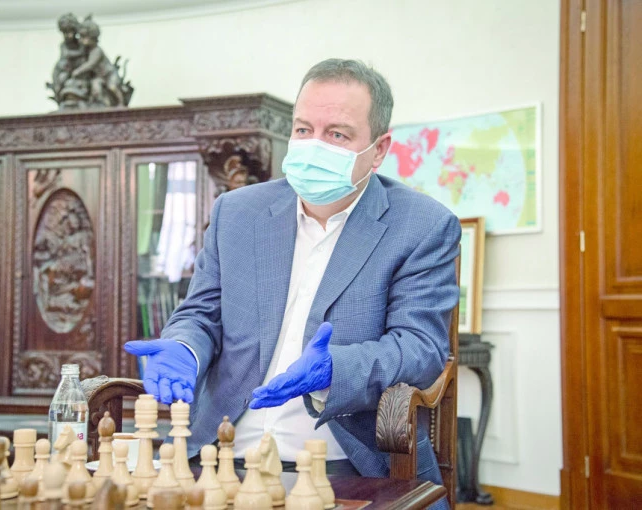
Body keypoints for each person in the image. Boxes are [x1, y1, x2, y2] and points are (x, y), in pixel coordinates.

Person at [124, 58, 460, 508]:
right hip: (219, 457)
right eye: (303, 130)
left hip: (346, 466)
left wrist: (336, 371)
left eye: (336, 135)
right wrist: (185, 347)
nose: (313, 146)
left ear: (379, 149)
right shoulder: (237, 212)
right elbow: (200, 314)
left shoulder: (421, 226)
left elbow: (421, 348)